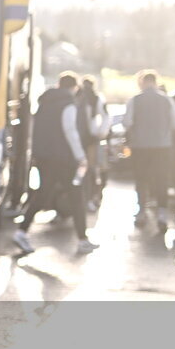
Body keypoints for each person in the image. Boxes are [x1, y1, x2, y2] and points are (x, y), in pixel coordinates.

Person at [13, 72, 98, 255]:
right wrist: (80, 156)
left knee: (42, 195)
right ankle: (82, 239)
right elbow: (70, 131)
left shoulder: (44, 103)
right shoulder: (68, 104)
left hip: (44, 156)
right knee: (76, 196)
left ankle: (22, 231)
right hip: (64, 159)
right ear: (74, 87)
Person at [123, 70, 175, 232]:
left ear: (141, 82)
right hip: (162, 146)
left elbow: (127, 122)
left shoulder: (135, 100)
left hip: (141, 146)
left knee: (141, 178)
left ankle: (142, 211)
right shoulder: (167, 100)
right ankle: (162, 213)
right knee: (161, 178)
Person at [75, 76, 110, 211]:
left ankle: (86, 198)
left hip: (82, 139)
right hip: (91, 140)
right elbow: (106, 117)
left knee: (83, 170)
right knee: (92, 170)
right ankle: (91, 197)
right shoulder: (96, 98)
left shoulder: (78, 97)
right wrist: (100, 133)